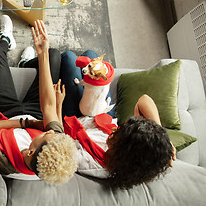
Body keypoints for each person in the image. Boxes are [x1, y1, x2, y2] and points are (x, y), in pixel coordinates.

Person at [57, 49, 177, 189]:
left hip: (76, 118)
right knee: (91, 56)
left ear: (122, 153)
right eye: (121, 128)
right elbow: (144, 100)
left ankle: (25, 62)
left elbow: (58, 139)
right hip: (104, 115)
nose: (116, 128)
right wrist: (162, 137)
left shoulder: (90, 163)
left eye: (116, 135)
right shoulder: (134, 145)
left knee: (69, 57)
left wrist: (57, 105)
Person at [0, 18, 78, 185]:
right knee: (53, 55)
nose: (51, 131)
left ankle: (6, 40)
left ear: (30, 152)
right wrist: (42, 53)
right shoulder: (55, 144)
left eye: (47, 134)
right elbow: (48, 107)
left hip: (6, 113)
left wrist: (28, 123)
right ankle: (25, 63)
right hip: (35, 111)